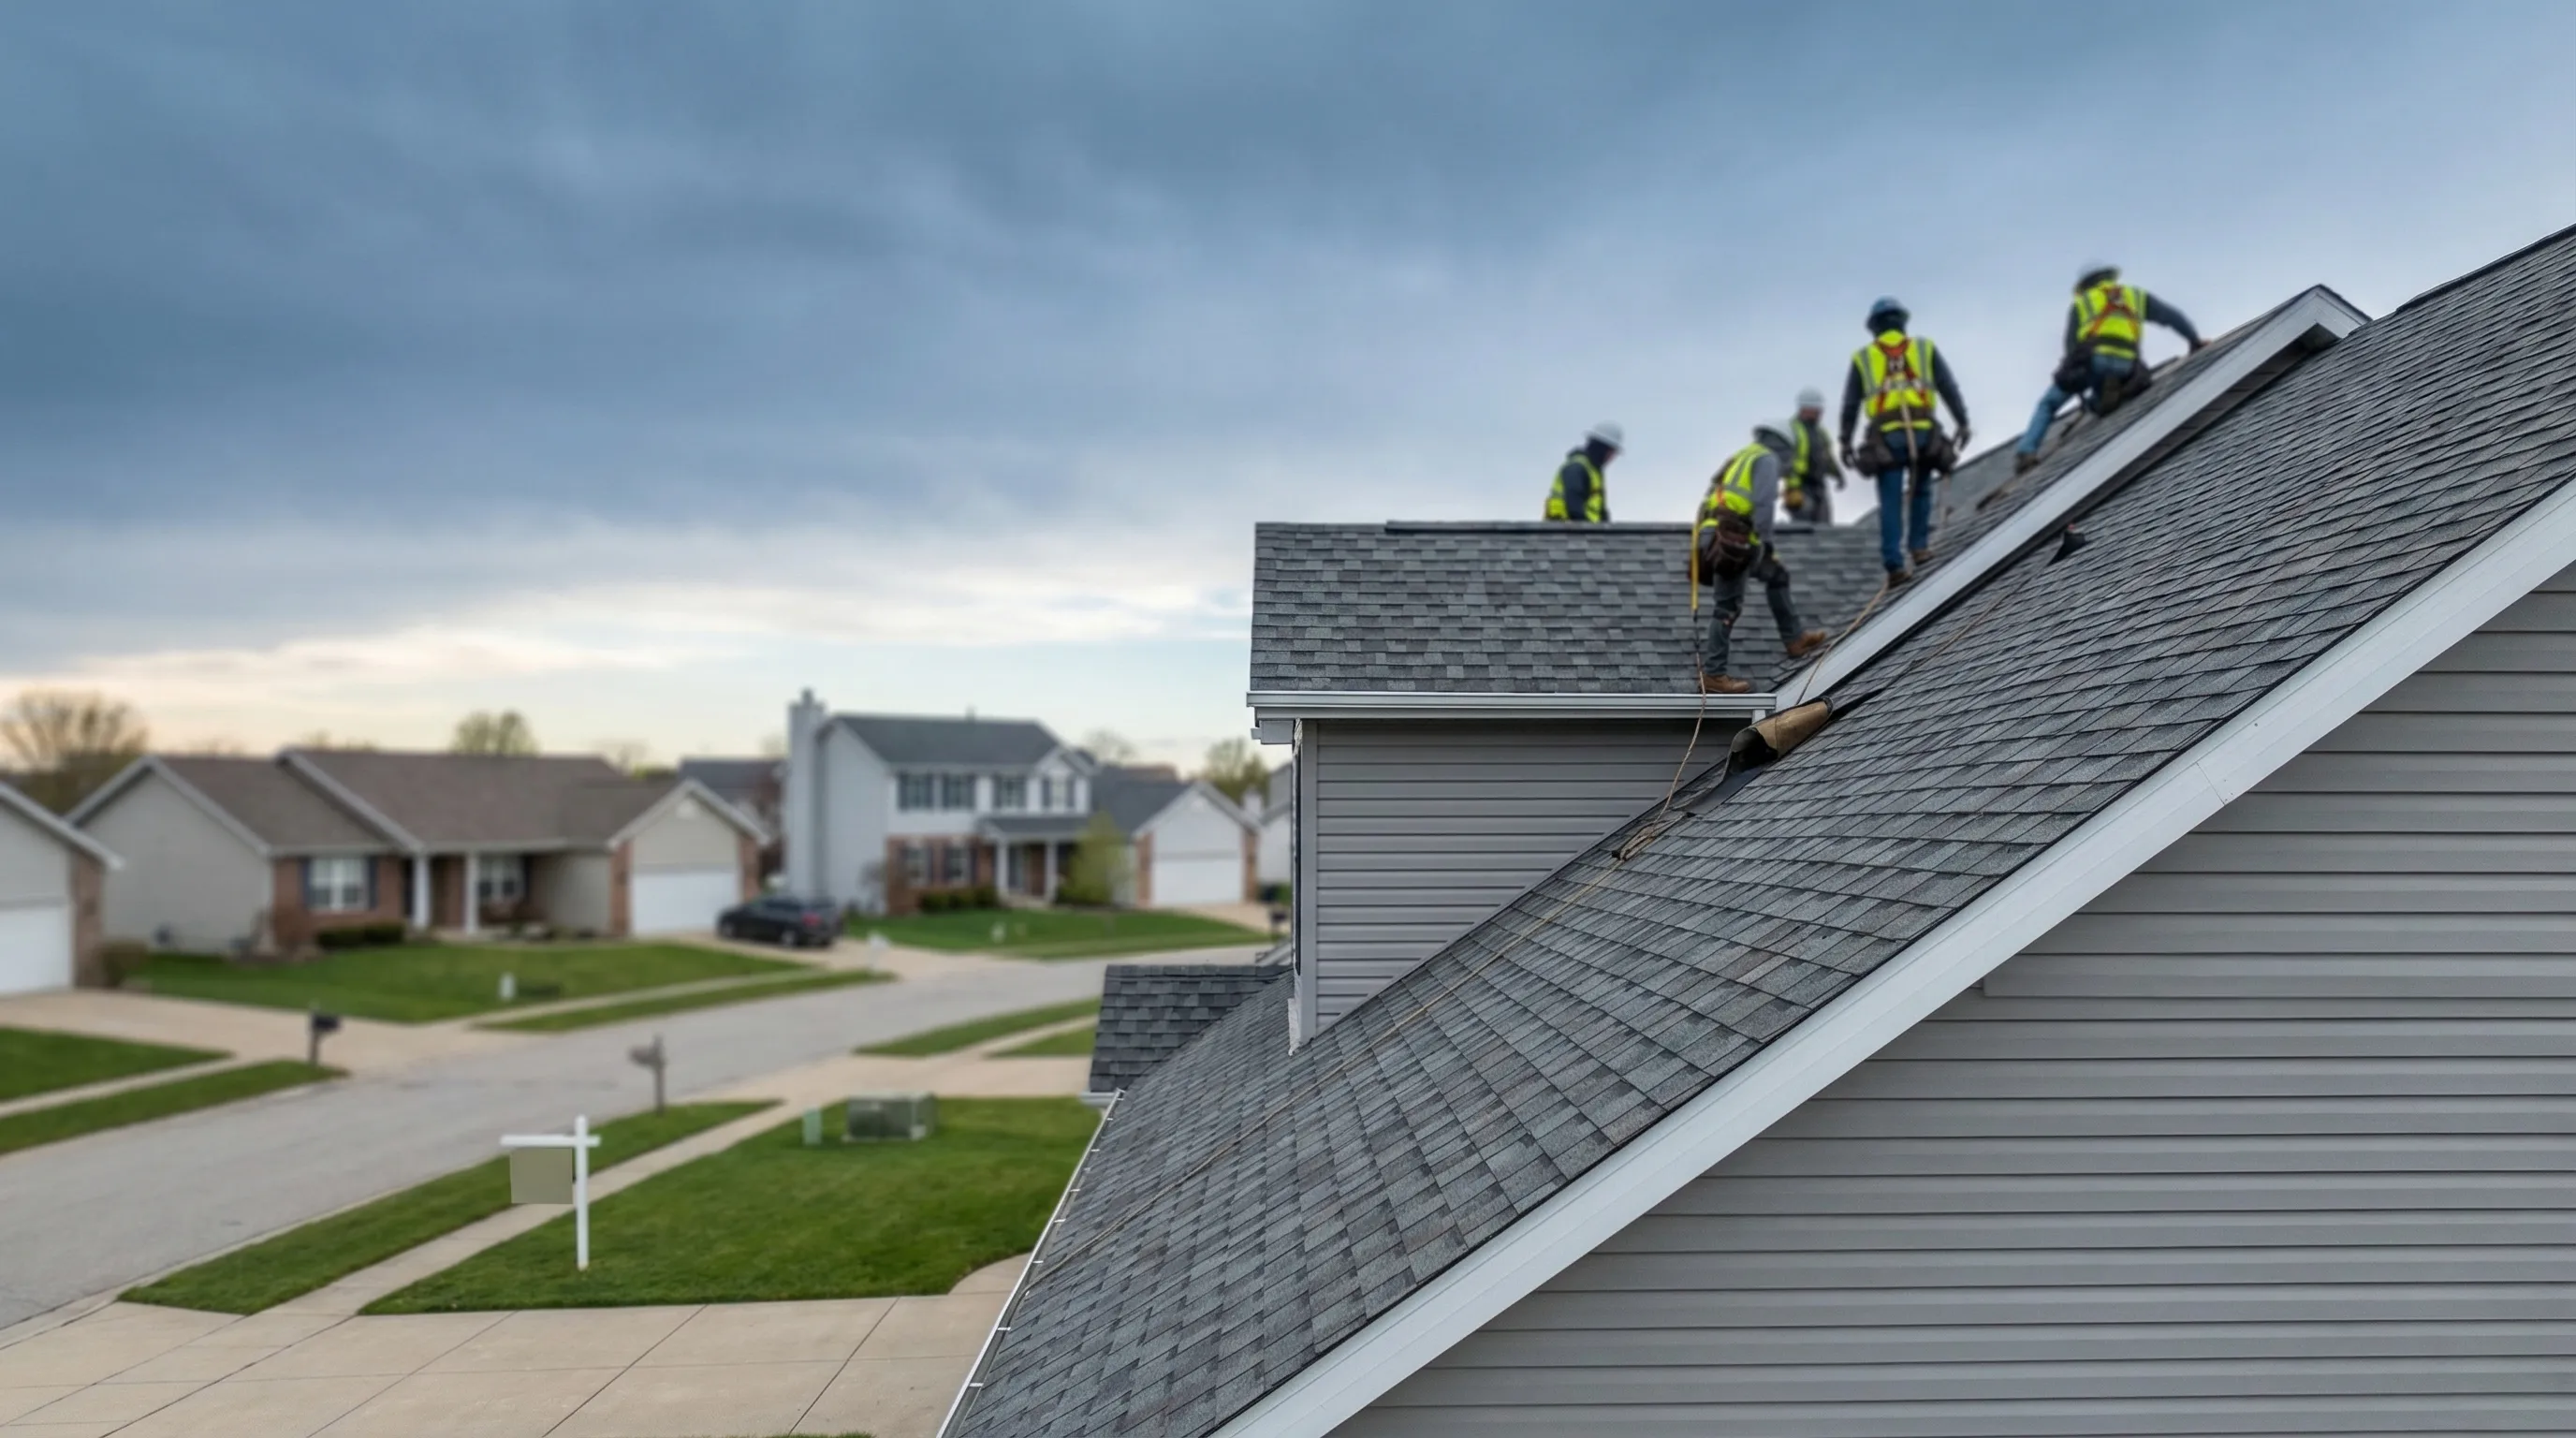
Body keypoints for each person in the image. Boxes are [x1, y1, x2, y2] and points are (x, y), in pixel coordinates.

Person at [2015, 263, 2207, 472]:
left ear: (2084, 286)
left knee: (2048, 404)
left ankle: (2027, 451)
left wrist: (2072, 379)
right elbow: (2172, 317)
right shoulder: (2133, 295)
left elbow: (2071, 348)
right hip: (2128, 365)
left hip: (2093, 362)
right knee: (2102, 398)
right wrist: (2194, 340)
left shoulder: (2083, 303)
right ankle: (2105, 396)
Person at [1694, 421, 1831, 695]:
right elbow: (1764, 503)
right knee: (1728, 606)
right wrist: (1767, 542)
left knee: (1776, 574)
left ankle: (1794, 638)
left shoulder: (1744, 455)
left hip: (1721, 532)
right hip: (1732, 539)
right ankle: (1713, 674)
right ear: (1783, 445)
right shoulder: (1767, 460)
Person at [1839, 297, 1969, 583]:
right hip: (1924, 431)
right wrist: (1962, 421)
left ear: (1874, 327)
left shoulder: (1864, 358)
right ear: (1902, 321)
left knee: (1890, 500)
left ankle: (1894, 563)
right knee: (1921, 489)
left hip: (1887, 438)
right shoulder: (1924, 349)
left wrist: (1845, 441)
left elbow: (1850, 404)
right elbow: (1948, 387)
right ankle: (1919, 547)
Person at [1779, 386, 1844, 525]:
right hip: (1800, 486)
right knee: (1802, 525)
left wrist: (1838, 475)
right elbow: (1786, 460)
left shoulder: (1821, 433)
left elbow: (1827, 457)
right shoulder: (1792, 430)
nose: (1819, 413)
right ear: (1805, 409)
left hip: (1818, 485)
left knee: (1824, 525)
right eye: (1816, 410)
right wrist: (1792, 486)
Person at [1544, 421, 1622, 522]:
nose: (1612, 458)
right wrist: (1586, 530)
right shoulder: (1577, 468)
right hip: (1564, 529)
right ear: (1602, 449)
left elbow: (1600, 509)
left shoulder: (1593, 471)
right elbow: (1574, 504)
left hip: (1584, 532)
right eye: (1611, 452)